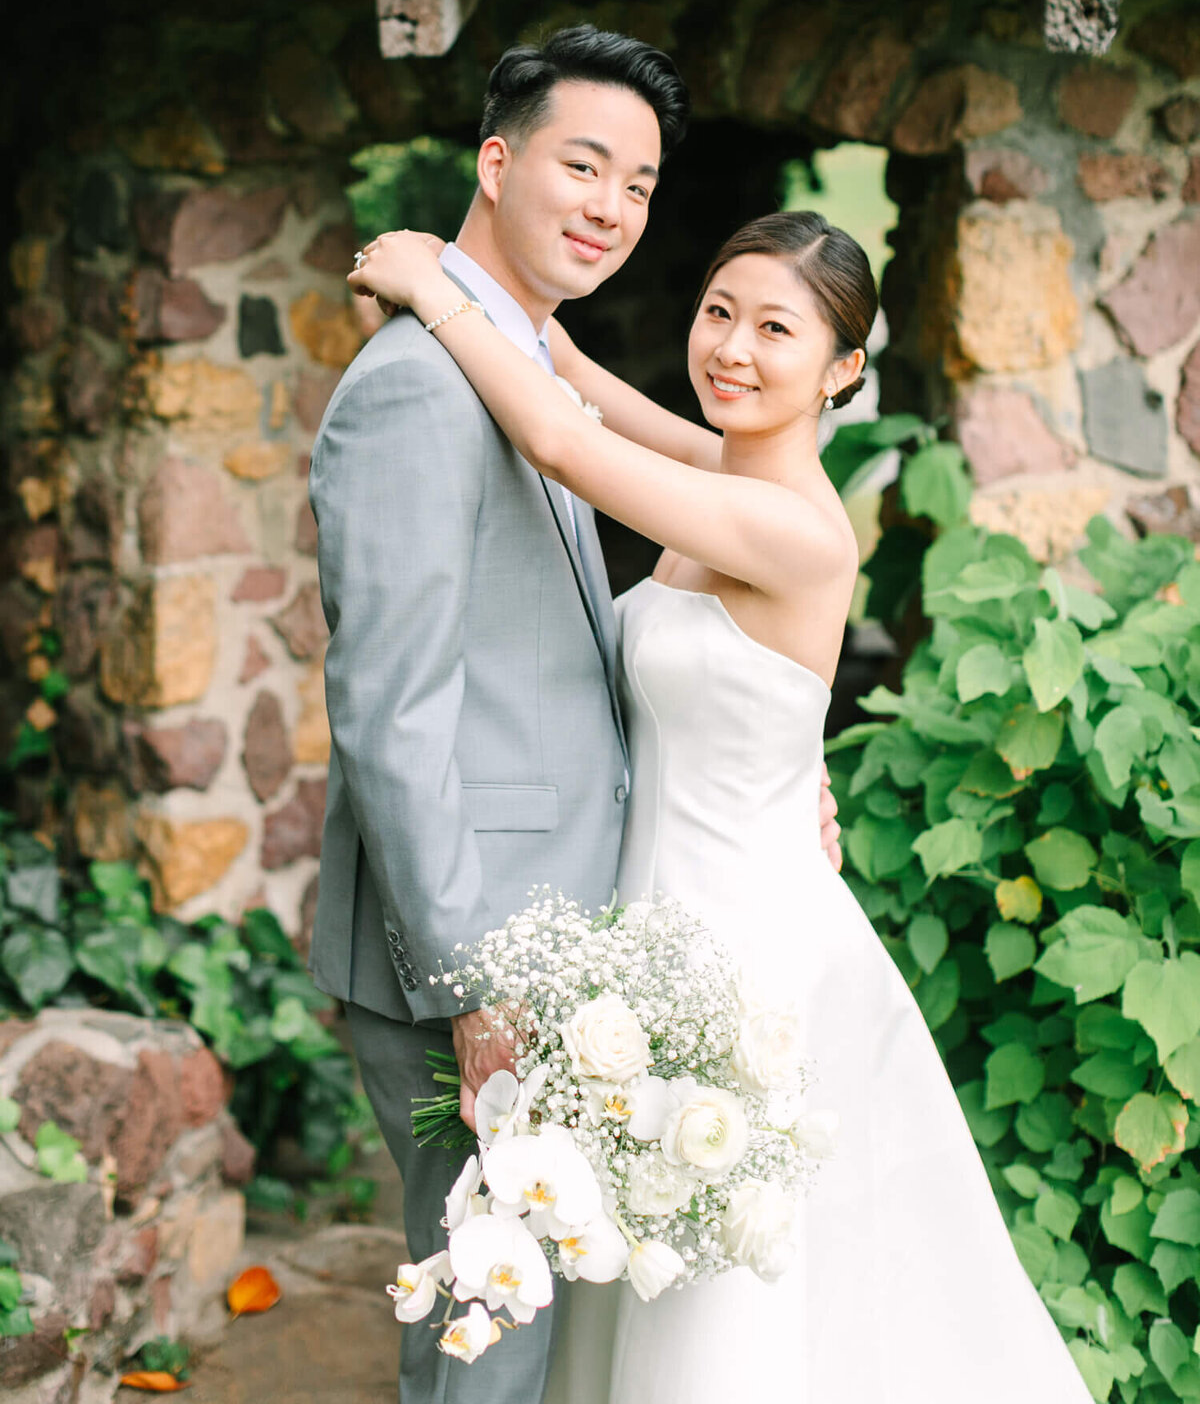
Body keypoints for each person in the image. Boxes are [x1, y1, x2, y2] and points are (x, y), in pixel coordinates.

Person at [348, 209, 1094, 1404]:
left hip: (740, 949)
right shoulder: (722, 470)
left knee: (712, 1281)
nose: (734, 347)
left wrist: (426, 282)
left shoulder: (786, 525)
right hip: (652, 911)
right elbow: (572, 380)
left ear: (845, 368)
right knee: (637, 1249)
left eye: (777, 328)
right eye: (719, 312)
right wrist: (496, 290)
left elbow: (553, 436)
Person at [307, 26, 841, 1404]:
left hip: (578, 938)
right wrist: (471, 980)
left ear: (841, 369)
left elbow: (580, 438)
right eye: (583, 164)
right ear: (497, 161)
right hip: (474, 948)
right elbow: (392, 710)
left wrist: (783, 766)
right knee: (492, 1325)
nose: (611, 206)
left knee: (528, 1317)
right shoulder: (425, 390)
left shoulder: (523, 366)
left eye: (641, 184)